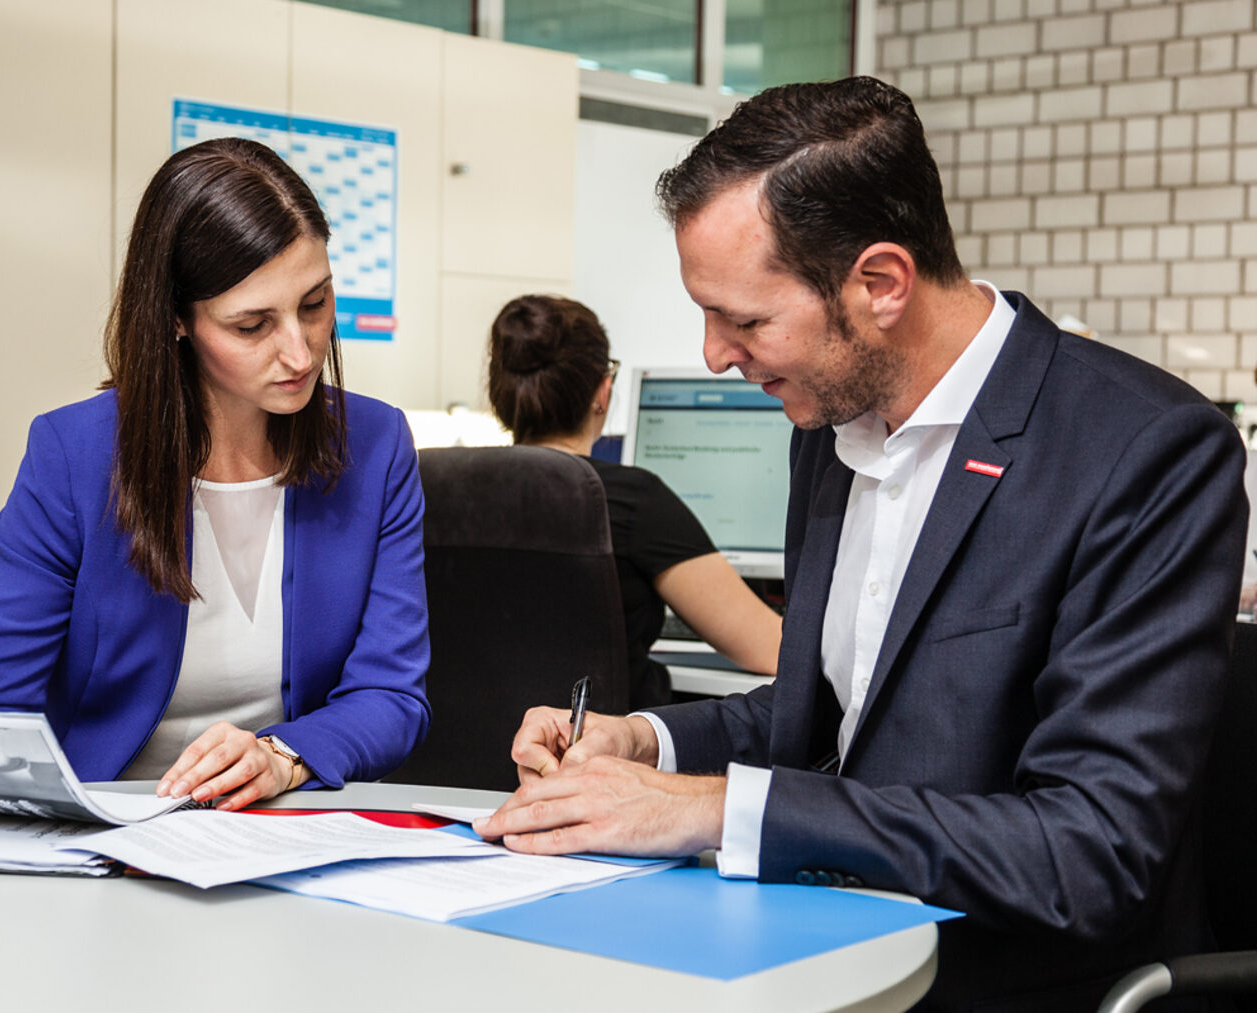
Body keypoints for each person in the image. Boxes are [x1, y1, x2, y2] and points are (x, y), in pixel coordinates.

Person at [475, 77, 1246, 1011]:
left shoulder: (1141, 450)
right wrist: (644, 740)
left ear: (880, 283)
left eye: (746, 319)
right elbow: (837, 715)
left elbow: (1087, 852)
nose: (716, 354)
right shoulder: (830, 431)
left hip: (1011, 981)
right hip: (817, 949)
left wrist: (715, 808)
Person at [0, 137, 431, 812]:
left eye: (315, 304)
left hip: (281, 835)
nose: (300, 350)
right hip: (98, 837)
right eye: (253, 324)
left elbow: (391, 694)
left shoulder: (375, 446)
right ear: (177, 319)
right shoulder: (74, 455)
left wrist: (283, 756)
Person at [486, 293, 782, 707]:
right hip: (592, 758)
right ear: (602, 392)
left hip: (435, 765)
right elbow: (771, 650)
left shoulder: (435, 492)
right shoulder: (628, 499)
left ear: (499, 395)